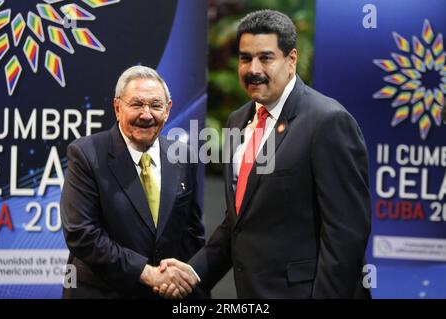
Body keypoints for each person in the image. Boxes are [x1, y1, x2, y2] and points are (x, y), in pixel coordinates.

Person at [158, 9, 372, 298]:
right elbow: (240, 221)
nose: (253, 69)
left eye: (266, 58)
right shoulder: (237, 120)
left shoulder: (327, 121)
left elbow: (346, 234)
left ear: (291, 60)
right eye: (246, 58)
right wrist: (192, 272)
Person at [60, 65, 205, 298]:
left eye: (156, 105)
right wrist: (146, 273)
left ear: (168, 110)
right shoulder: (86, 154)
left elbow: (192, 233)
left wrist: (182, 282)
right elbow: (82, 233)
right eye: (136, 104)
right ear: (117, 108)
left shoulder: (183, 156)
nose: (146, 114)